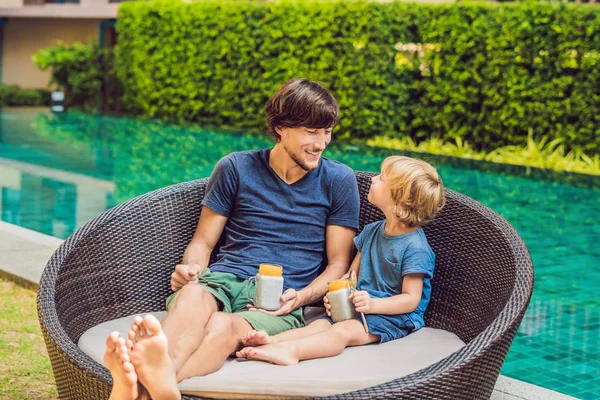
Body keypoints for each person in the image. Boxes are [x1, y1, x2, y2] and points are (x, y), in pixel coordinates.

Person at [104, 78, 360, 400]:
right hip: (223, 278)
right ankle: (161, 381)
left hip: (281, 300)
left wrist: (302, 297)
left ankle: (141, 389)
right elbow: (203, 243)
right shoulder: (236, 167)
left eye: (327, 132)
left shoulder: (338, 180)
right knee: (193, 297)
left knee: (223, 327)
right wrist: (191, 270)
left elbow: (339, 263)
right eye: (312, 131)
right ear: (281, 127)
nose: (322, 143)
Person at [235, 156, 445, 366]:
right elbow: (350, 278)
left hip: (394, 317)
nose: (373, 179)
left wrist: (373, 305)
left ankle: (292, 352)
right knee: (318, 326)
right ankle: (271, 342)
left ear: (399, 201)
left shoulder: (415, 247)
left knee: (342, 331)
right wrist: (337, 295)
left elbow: (411, 299)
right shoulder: (372, 231)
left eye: (381, 178)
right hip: (361, 306)